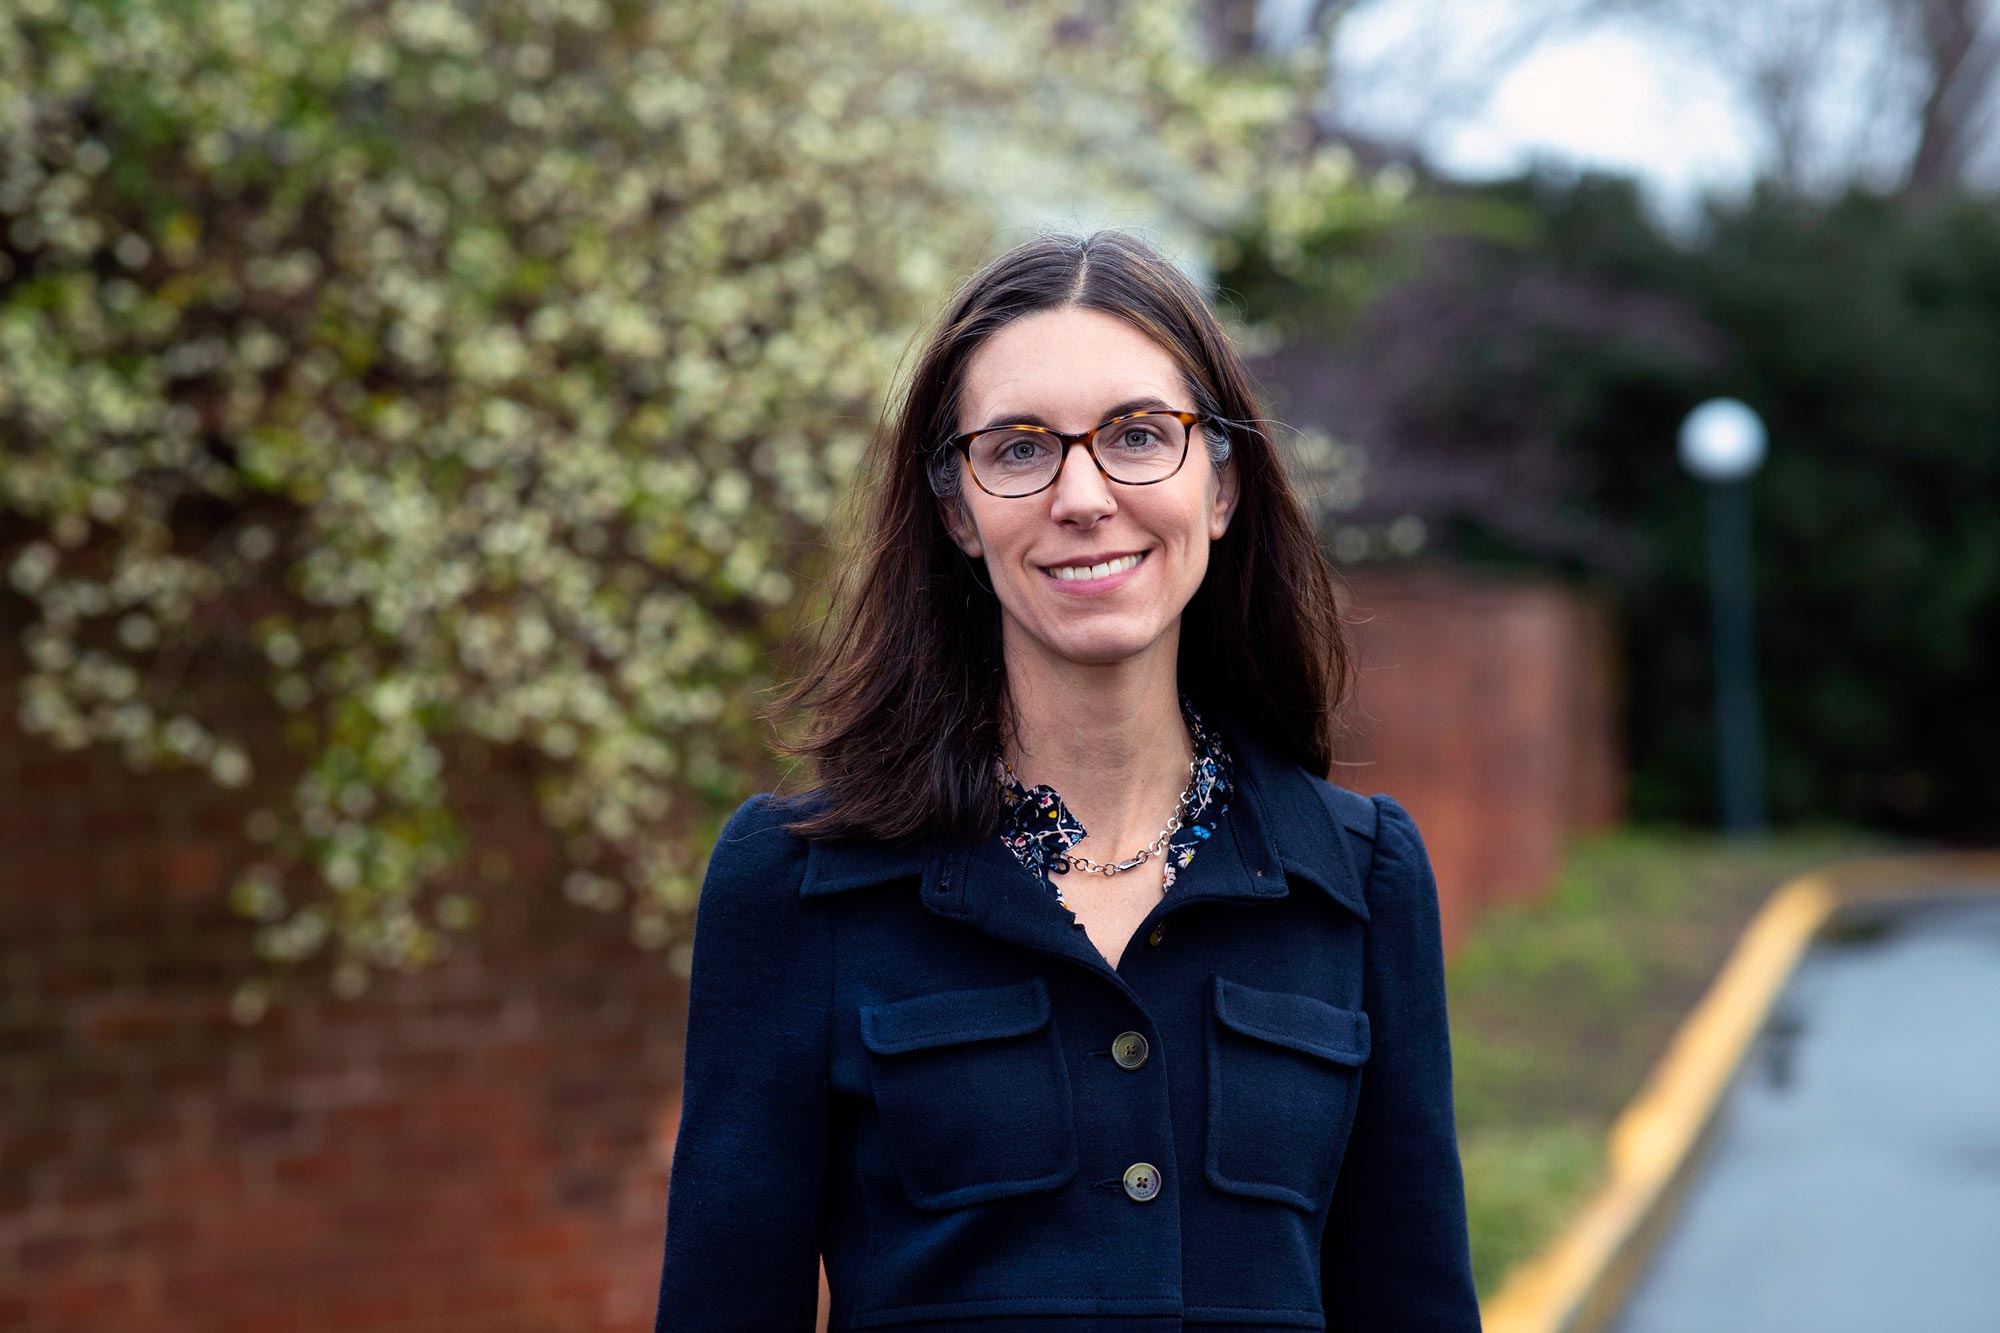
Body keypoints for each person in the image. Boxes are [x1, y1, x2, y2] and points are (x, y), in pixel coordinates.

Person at [652, 229, 1481, 1332]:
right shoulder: (801, 882)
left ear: (1220, 486)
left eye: (1140, 434)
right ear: (956, 509)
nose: (1083, 495)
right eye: (1019, 449)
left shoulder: (1360, 879)